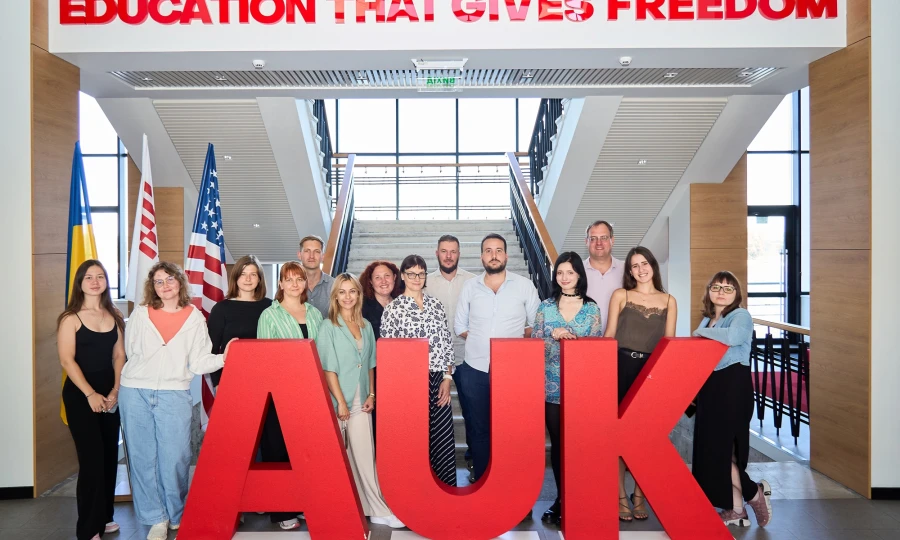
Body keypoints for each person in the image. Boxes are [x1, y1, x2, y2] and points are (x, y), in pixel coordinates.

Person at [120, 261, 232, 540]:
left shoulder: (195, 318)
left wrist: (224, 357)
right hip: (135, 392)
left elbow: (199, 361)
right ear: (153, 287)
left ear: (180, 282)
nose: (165, 285)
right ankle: (155, 518)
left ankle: (175, 513)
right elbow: (131, 350)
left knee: (176, 458)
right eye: (158, 281)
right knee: (143, 458)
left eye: (170, 279)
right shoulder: (141, 314)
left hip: (174, 394)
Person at [315, 273, 405, 529]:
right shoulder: (328, 326)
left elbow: (370, 365)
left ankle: (372, 508)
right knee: (348, 458)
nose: (347, 297)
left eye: (352, 291)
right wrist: (341, 403)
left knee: (364, 456)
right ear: (335, 296)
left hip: (362, 401)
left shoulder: (365, 325)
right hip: (340, 403)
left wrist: (372, 394)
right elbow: (328, 368)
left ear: (358, 294)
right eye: (342, 292)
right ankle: (377, 509)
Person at [454, 233, 540, 485]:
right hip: (475, 368)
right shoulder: (470, 287)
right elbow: (460, 325)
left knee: (510, 428)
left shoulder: (524, 285)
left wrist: (510, 345)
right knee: (478, 428)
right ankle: (482, 480)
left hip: (512, 371)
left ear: (506, 255)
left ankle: (509, 482)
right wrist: (482, 339)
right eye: (488, 251)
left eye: (498, 250)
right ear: (482, 256)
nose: (494, 255)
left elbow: (536, 324)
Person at [692, 271, 772, 528]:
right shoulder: (708, 319)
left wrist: (700, 333)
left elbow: (733, 338)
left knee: (725, 451)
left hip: (732, 388)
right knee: (714, 452)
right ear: (709, 291)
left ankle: (753, 493)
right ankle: (737, 509)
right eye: (716, 287)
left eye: (728, 288)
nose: (721, 292)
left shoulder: (740, 315)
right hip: (710, 388)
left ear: (736, 294)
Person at [604, 246, 677, 522]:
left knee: (646, 439)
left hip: (651, 373)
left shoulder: (669, 301)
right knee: (618, 438)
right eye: (634, 266)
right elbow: (609, 335)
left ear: (653, 266)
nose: (640, 269)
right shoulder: (620, 295)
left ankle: (639, 496)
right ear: (630, 271)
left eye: (644, 263)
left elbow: (668, 345)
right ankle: (620, 496)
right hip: (620, 369)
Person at [57, 260, 126, 540]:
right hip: (80, 395)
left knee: (109, 456)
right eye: (89, 277)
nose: (95, 282)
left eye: (100, 276)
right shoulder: (71, 318)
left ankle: (105, 517)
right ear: (80, 283)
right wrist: (90, 394)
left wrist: (115, 390)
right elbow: (67, 360)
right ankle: (88, 528)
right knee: (92, 460)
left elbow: (119, 355)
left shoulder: (114, 314)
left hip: (109, 394)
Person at [532, 252, 602, 525]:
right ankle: (561, 501)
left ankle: (579, 501)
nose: (564, 277)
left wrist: (573, 339)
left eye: (570, 272)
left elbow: (596, 351)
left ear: (579, 275)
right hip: (550, 389)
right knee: (559, 446)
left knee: (579, 448)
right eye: (560, 272)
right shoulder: (546, 307)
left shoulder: (592, 309)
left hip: (581, 390)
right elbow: (534, 345)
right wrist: (553, 335)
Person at [256, 261, 325, 530]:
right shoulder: (269, 315)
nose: (295, 284)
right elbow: (265, 358)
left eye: (299, 279)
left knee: (305, 452)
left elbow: (321, 353)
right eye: (289, 279)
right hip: (280, 394)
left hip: (311, 393)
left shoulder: (315, 313)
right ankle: (283, 510)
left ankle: (303, 502)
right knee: (279, 450)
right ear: (281, 284)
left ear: (306, 283)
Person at [380, 255, 457, 486]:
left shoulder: (436, 305)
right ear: (402, 276)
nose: (417, 278)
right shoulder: (393, 309)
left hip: (438, 379)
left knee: (441, 437)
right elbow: (388, 353)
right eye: (411, 274)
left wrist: (447, 378)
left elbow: (446, 343)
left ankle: (443, 488)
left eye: (421, 273)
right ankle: (414, 489)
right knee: (413, 439)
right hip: (408, 384)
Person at [425, 235, 476, 477]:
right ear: (437, 253)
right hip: (435, 360)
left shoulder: (473, 281)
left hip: (467, 355)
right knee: (433, 413)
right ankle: (433, 465)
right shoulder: (425, 282)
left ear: (459, 254)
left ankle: (474, 459)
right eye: (444, 251)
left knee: (472, 412)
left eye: (453, 251)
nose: (448, 256)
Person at [207, 255, 272, 387]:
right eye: (243, 274)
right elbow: (212, 350)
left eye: (253, 274)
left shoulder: (271, 307)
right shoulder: (221, 309)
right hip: (230, 378)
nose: (248, 279)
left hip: (265, 378)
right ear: (236, 277)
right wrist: (217, 384)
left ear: (259, 279)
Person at [583, 220, 625, 335]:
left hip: (620, 341)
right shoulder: (575, 272)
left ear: (612, 240)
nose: (599, 243)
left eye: (604, 238)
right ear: (586, 242)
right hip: (585, 340)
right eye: (593, 238)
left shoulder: (627, 270)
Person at [360, 260, 402, 340]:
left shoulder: (403, 304)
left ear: (394, 277)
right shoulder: (362, 307)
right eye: (377, 277)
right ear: (371, 281)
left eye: (387, 276)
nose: (383, 281)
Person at [298, 235, 334, 316]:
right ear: (299, 255)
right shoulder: (290, 286)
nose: (311, 256)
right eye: (307, 251)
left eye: (317, 251)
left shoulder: (334, 285)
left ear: (323, 256)